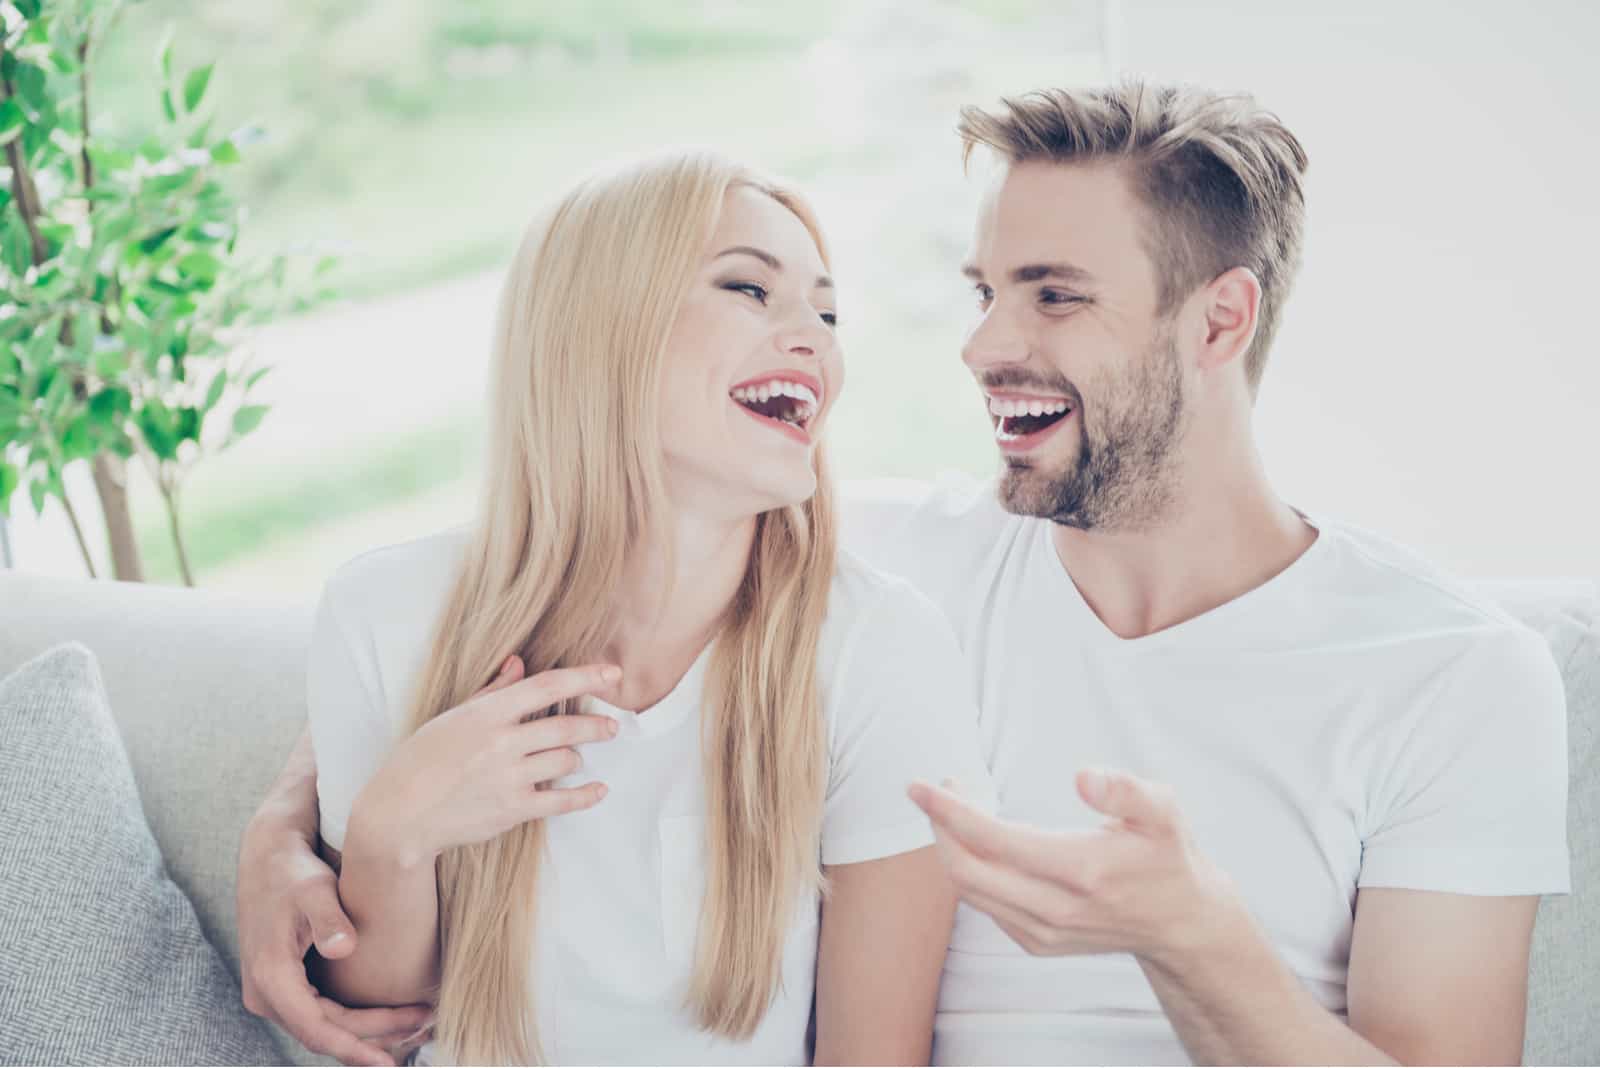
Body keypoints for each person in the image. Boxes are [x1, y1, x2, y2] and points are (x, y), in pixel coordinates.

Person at [239, 82, 1569, 1066]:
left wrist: (1195, 935)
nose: (985, 343)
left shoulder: (1451, 676)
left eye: (1052, 295)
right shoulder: (887, 566)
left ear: (1218, 318)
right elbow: (568, 582)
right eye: (983, 289)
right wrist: (291, 826)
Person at [262, 149, 991, 1066]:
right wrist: (391, 836)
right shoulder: (385, 612)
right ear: (599, 328)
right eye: (751, 290)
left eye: (828, 310)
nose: (817, 339)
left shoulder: (877, 650)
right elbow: (371, 1030)